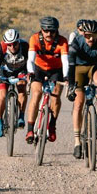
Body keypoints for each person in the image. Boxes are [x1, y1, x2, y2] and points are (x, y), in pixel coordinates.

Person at [65, 19, 97, 158]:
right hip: (78, 69)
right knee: (78, 103)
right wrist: (72, 86)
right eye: (87, 36)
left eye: (94, 35)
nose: (91, 39)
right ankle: (77, 142)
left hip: (94, 67)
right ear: (83, 34)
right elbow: (71, 67)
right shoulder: (76, 43)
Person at [25, 16, 69, 145]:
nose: (49, 34)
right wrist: (31, 72)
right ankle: (30, 129)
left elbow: (65, 61)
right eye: (46, 31)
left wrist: (66, 76)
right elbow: (30, 59)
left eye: (52, 31)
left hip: (56, 70)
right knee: (36, 93)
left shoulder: (62, 41)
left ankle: (52, 125)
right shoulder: (34, 39)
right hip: (38, 69)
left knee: (55, 96)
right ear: (41, 30)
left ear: (57, 31)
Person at [0, 28, 28, 137]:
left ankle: (21, 116)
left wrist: (30, 74)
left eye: (15, 44)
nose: (12, 47)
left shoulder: (25, 46)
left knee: (22, 89)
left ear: (19, 41)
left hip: (21, 71)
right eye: (9, 45)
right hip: (4, 71)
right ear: (5, 43)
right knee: (2, 96)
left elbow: (32, 61)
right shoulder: (0, 47)